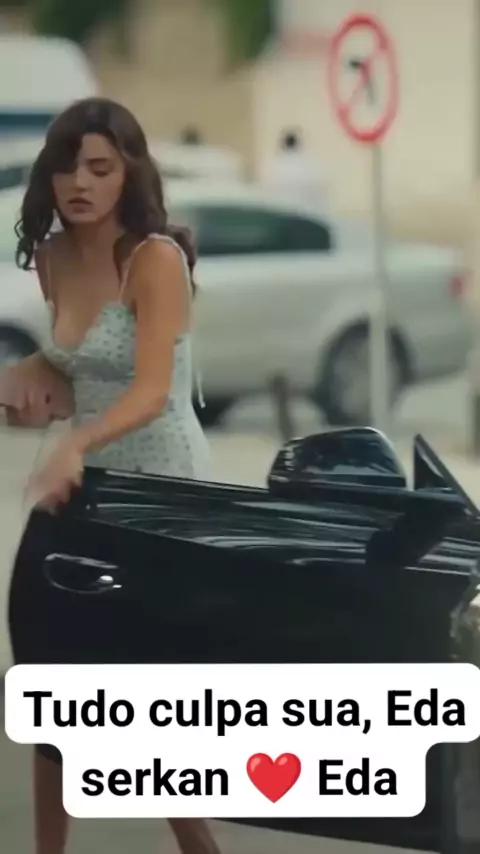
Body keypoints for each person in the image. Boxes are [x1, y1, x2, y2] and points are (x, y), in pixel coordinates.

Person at [1, 97, 219, 854]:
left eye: (99, 167)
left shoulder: (154, 260)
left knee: (142, 691)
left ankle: (199, 845)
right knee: (50, 674)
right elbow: (79, 367)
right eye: (67, 168)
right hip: (83, 483)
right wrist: (29, 381)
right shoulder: (53, 258)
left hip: (162, 490)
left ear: (130, 173)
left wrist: (75, 443)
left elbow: (151, 389)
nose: (80, 183)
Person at [262, 129, 329, 214]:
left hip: (281, 215)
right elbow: (320, 194)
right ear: (298, 144)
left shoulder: (273, 167)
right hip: (306, 215)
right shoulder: (309, 165)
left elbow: (267, 196)